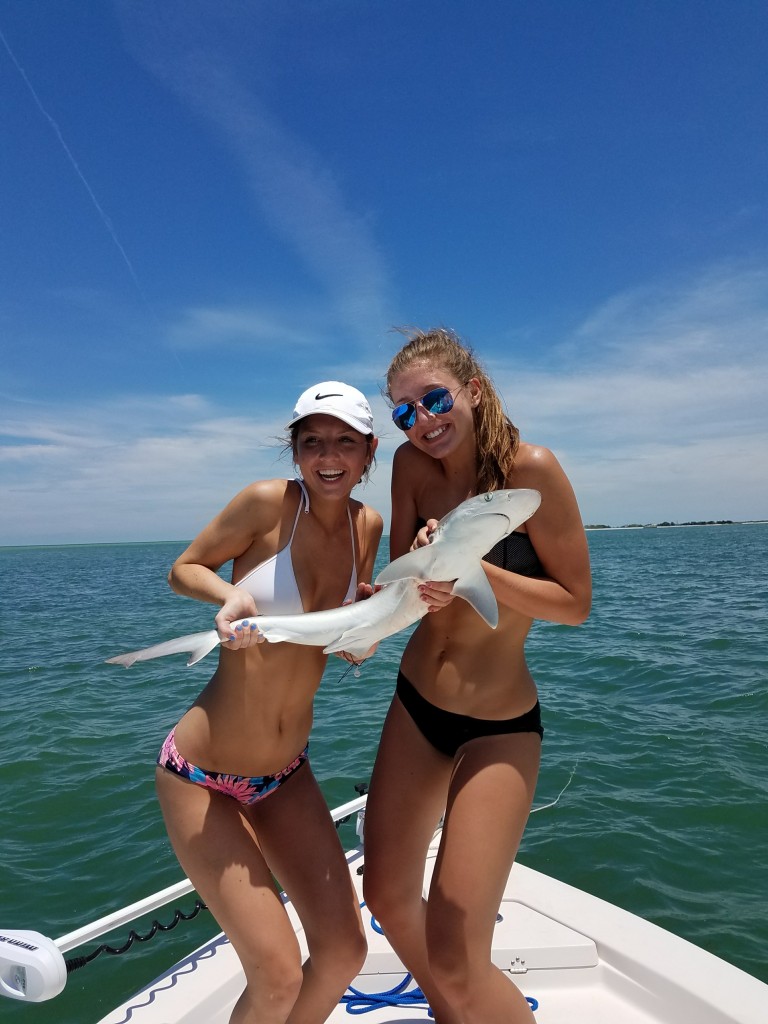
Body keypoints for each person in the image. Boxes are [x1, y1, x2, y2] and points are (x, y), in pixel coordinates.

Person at [362, 329, 592, 1024]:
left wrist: (472, 566)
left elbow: (575, 604)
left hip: (499, 725)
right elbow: (403, 570)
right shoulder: (410, 467)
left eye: (434, 399)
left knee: (460, 953)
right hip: (416, 703)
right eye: (405, 411)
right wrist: (411, 574)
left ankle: (466, 999)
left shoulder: (533, 471)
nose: (422, 421)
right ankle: (456, 1014)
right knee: (386, 896)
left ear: (473, 390)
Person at [155, 382, 383, 1024]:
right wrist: (225, 598)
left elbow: (342, 630)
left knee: (342, 953)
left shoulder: (369, 525)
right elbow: (184, 568)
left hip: (286, 774)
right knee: (278, 978)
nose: (328, 455)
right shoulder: (266, 503)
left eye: (344, 441)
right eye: (312, 441)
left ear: (368, 451)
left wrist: (356, 639)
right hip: (201, 776)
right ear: (295, 450)